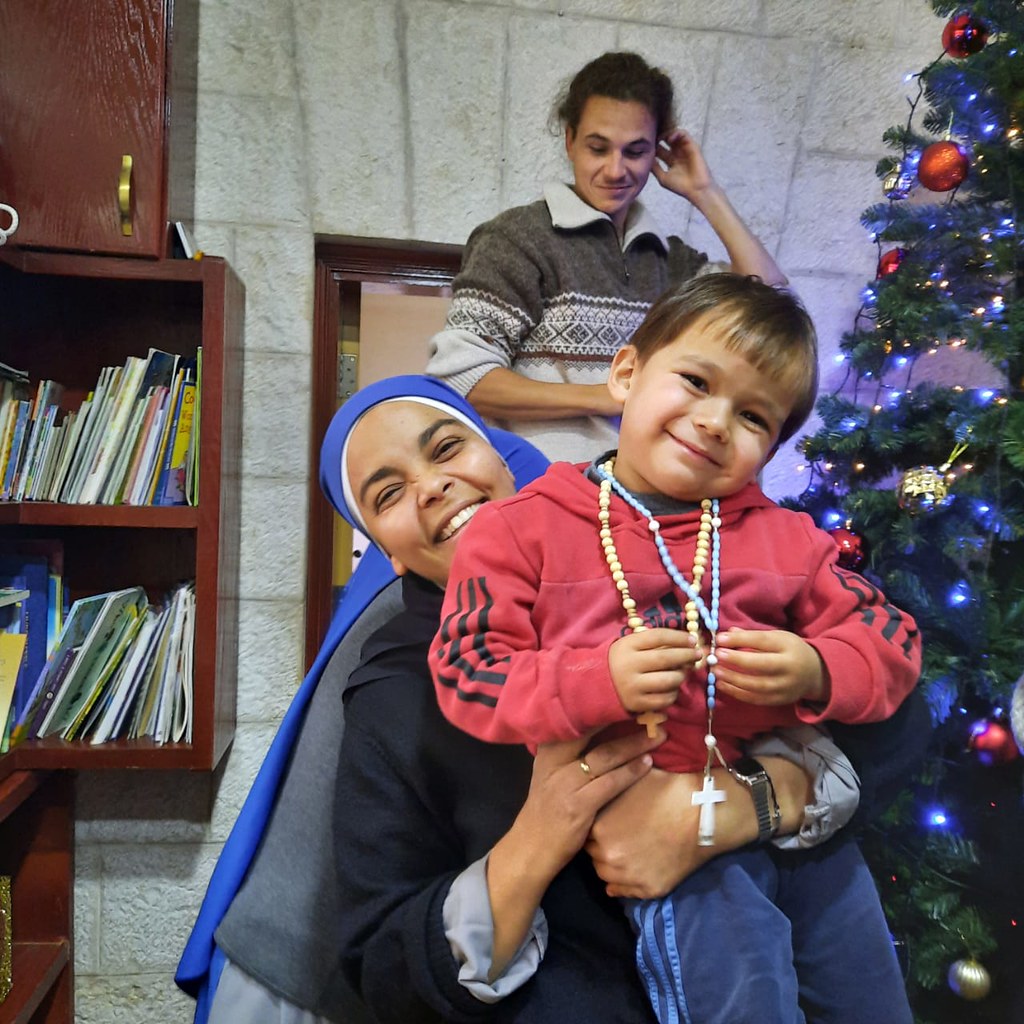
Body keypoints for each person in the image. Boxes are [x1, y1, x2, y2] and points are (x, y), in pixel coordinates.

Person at [330, 376, 922, 1023]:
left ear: (500, 458)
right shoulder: (391, 696)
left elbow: (901, 714)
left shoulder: (686, 541)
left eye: (446, 448)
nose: (431, 486)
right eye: (388, 493)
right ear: (383, 549)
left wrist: (741, 804)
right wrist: (535, 842)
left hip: (813, 931)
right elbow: (380, 964)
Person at [425, 50, 785, 464]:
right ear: (570, 141)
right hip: (543, 498)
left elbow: (772, 310)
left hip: (644, 505)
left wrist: (705, 193)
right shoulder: (516, 239)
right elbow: (461, 377)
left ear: (656, 154)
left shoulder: (673, 262)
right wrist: (610, 395)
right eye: (599, 148)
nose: (616, 170)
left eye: (635, 151)